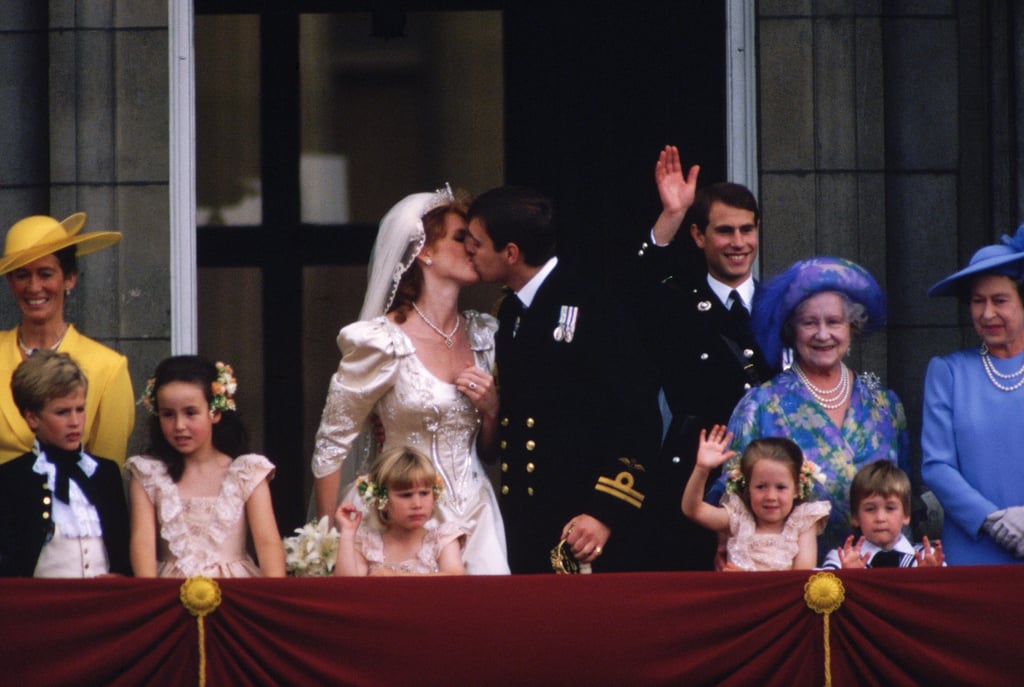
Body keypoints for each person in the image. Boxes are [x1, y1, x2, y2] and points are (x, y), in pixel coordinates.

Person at [311, 186, 508, 575]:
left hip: (476, 512)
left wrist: (490, 411)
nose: (472, 246)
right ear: (424, 251)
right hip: (398, 518)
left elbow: (489, 450)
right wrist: (329, 537)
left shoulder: (485, 335)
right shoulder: (382, 341)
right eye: (459, 237)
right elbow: (332, 444)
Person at [465, 185, 663, 573]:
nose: (468, 250)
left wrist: (604, 512)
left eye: (476, 243)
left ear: (510, 253)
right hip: (525, 526)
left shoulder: (594, 305)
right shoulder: (509, 312)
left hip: (584, 530)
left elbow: (639, 421)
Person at [635, 146, 775, 570]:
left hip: (770, 489)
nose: (738, 243)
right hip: (695, 483)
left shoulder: (782, 305)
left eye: (747, 230)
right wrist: (670, 218)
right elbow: (634, 286)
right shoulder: (676, 302)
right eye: (724, 231)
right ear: (698, 236)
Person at [716, 256, 910, 560]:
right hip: (790, 579)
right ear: (792, 330)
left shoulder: (884, 405)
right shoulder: (761, 405)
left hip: (876, 576)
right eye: (809, 323)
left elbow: (904, 494)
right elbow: (730, 502)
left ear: (852, 328)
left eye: (833, 322)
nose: (823, 334)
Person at [126, 355, 285, 577]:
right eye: (168, 415)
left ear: (215, 412)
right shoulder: (148, 473)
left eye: (190, 413)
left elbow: (268, 543)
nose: (179, 425)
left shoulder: (245, 472)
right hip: (169, 592)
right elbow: (142, 543)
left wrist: (272, 604)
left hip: (234, 590)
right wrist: (151, 599)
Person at [922, 225, 1024, 565]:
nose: (987, 313)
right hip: (974, 549)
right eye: (978, 302)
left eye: (1000, 300)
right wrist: (991, 520)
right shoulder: (948, 372)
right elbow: (936, 465)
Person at [0, 212, 134, 465]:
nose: (34, 286)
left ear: (69, 278)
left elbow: (106, 477)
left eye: (46, 274)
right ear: (10, 282)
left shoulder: (108, 368)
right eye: (22, 275)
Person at [0, 350, 129, 577]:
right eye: (62, 412)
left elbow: (122, 553)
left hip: (103, 607)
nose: (75, 422)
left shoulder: (104, 473)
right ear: (32, 418)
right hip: (42, 607)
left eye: (80, 409)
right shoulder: (11, 479)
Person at [681, 426, 830, 571]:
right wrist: (702, 469)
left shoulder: (802, 523)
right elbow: (693, 510)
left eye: (780, 487)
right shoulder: (738, 518)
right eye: (760, 487)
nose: (771, 496)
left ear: (797, 490)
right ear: (747, 489)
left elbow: (800, 579)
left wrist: (746, 581)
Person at [334, 446, 465, 576]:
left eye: (424, 493)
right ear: (381, 500)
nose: (417, 504)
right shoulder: (368, 544)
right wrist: (347, 533)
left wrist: (396, 576)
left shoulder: (442, 540)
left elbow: (454, 576)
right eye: (406, 495)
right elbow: (347, 587)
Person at [821, 461, 944, 569]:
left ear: (906, 515)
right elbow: (821, 591)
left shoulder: (927, 558)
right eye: (870, 509)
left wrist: (930, 579)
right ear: (856, 517)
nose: (880, 518)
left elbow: (947, 592)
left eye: (890, 508)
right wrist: (847, 577)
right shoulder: (841, 559)